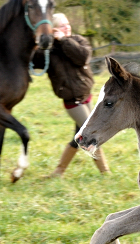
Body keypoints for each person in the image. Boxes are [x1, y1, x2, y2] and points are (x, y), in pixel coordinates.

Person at [34, 13, 110, 176]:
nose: (67, 27)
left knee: (80, 136)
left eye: (67, 24)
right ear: (53, 29)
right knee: (89, 134)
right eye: (62, 26)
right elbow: (33, 60)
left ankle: (59, 171)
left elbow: (82, 57)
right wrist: (37, 43)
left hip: (86, 95)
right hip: (71, 100)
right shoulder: (49, 51)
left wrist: (64, 40)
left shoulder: (78, 41)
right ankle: (105, 172)